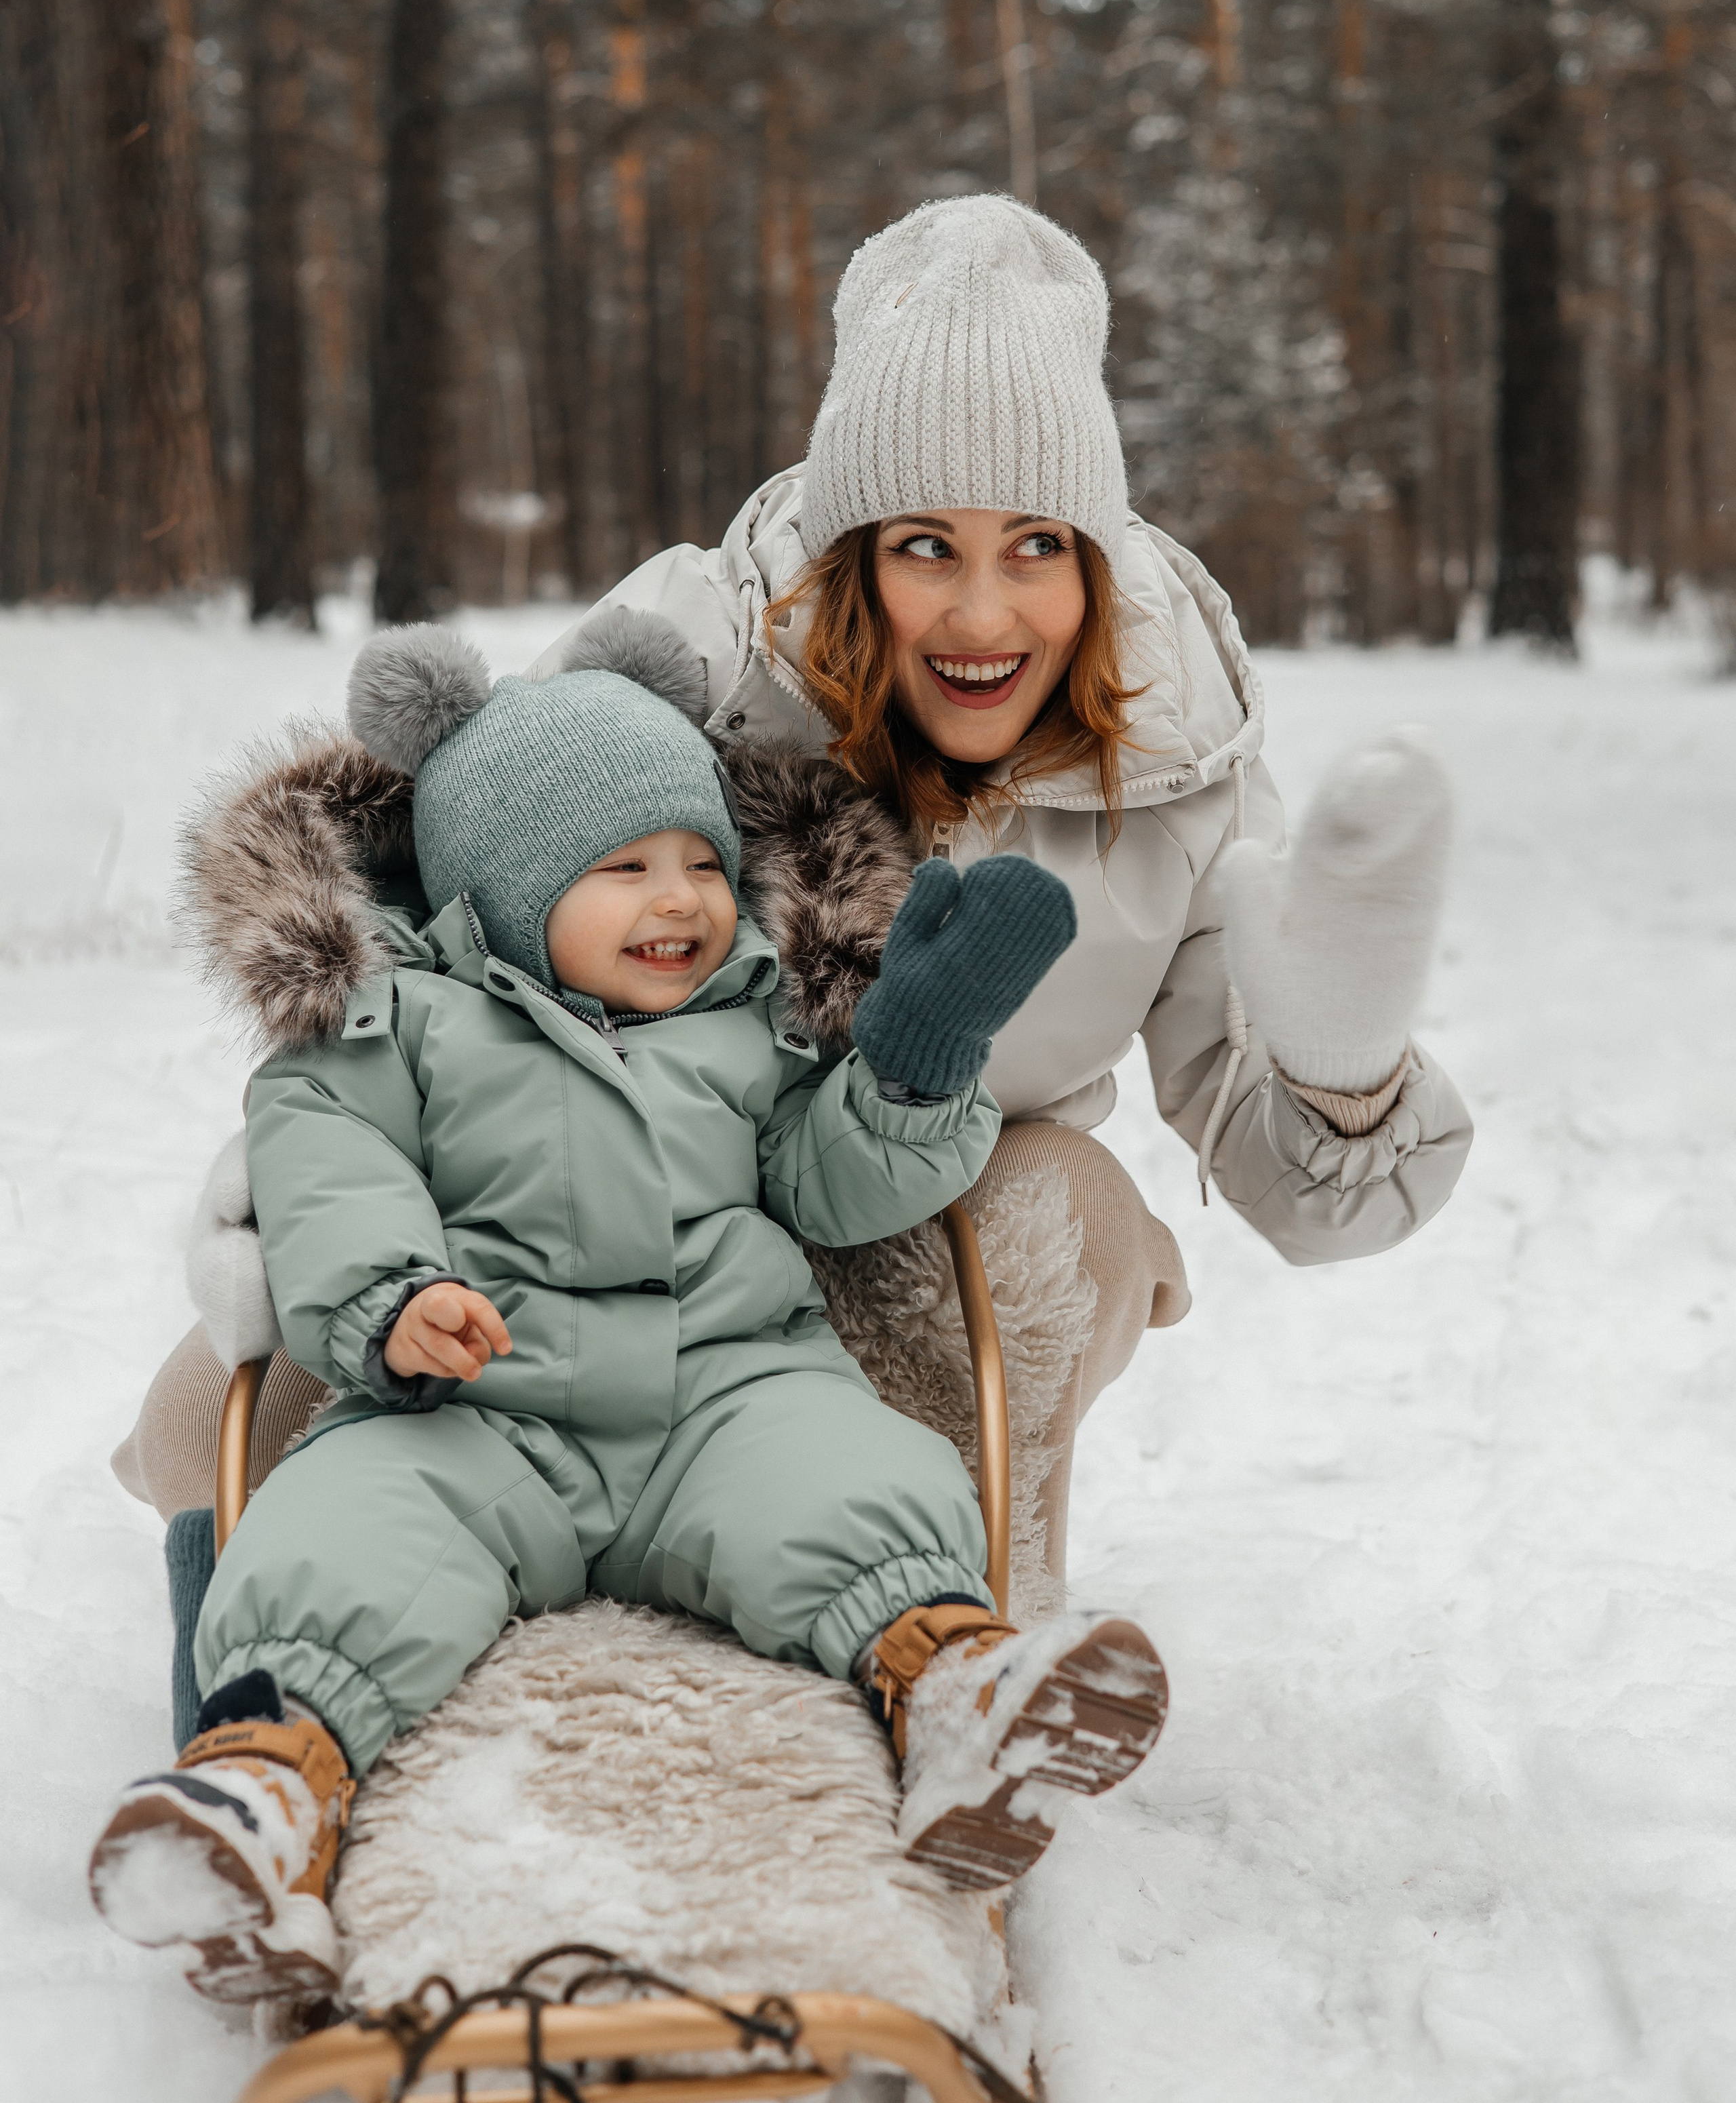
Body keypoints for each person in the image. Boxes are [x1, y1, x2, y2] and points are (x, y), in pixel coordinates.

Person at [115, 189, 1472, 1579]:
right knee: (199, 1433)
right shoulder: (696, 647)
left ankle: (968, 1598)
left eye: (1036, 546)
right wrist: (321, 1139)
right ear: (851, 552)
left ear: (1093, 553)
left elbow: (1296, 1194)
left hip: (926, 1218)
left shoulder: (1183, 759)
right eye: (924, 545)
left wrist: (1340, 1067)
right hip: (595, 1175)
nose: (983, 614)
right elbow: (461, 856)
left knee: (1061, 1205)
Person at [88, 614, 1169, 2005]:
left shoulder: (742, 1023)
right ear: (506, 888)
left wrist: (911, 1063)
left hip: (718, 1388)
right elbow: (329, 1164)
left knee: (858, 1478)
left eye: (701, 865)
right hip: (481, 1405)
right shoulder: (397, 1022)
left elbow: (834, 1188)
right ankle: (262, 1792)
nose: (682, 900)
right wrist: (390, 1300)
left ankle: (953, 1689)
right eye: (626, 869)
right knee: (343, 1532)